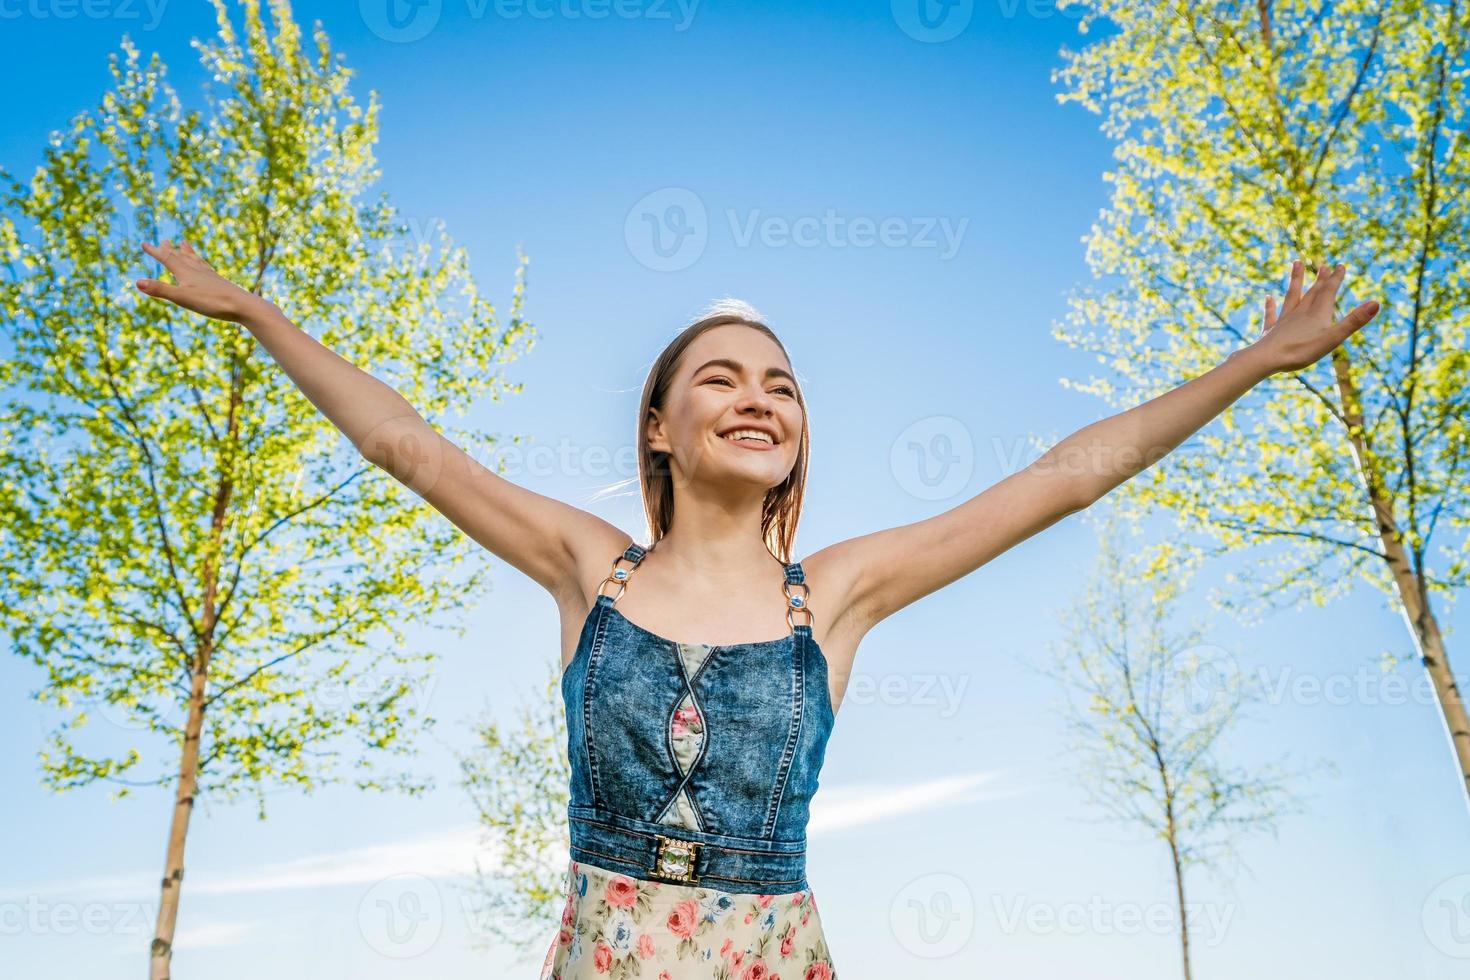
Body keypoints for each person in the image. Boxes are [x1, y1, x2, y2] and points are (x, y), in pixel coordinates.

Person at [135, 241, 1378, 978]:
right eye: (720, 376)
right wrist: (255, 312)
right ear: (661, 426)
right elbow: (408, 442)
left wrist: (1249, 365)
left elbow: (1058, 478)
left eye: (782, 383)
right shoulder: (589, 567)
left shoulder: (829, 596)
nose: (759, 396)